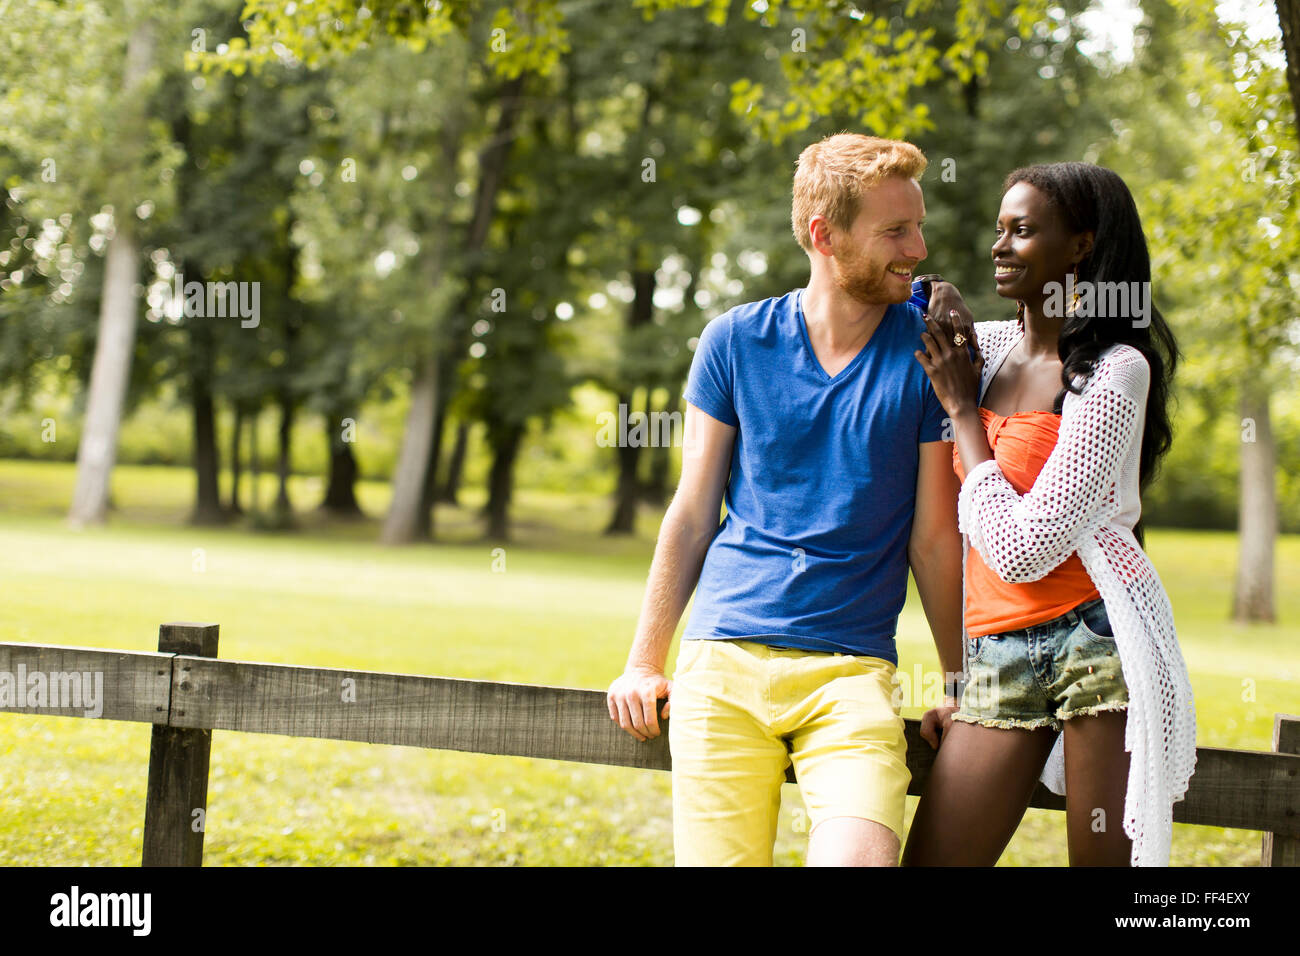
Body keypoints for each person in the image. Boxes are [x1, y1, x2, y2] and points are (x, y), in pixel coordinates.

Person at [605, 133, 966, 866]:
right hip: (722, 663)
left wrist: (963, 682)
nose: (918, 247)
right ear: (822, 235)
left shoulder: (930, 352)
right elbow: (693, 510)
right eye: (896, 230)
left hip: (851, 673)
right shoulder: (734, 340)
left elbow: (933, 538)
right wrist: (645, 661)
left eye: (919, 225)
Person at [903, 162, 1197, 867]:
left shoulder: (1114, 371)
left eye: (1024, 231)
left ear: (1080, 248)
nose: (1000, 247)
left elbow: (1022, 549)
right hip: (999, 652)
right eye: (999, 230)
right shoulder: (988, 350)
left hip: (1096, 644)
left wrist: (961, 413)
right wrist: (959, 680)